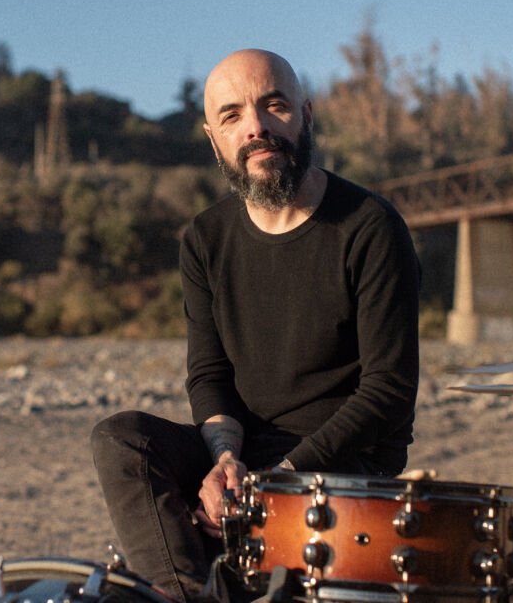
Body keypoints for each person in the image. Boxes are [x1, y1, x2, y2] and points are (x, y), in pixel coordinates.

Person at [90, 49, 420, 602]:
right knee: (121, 439)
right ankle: (187, 593)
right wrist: (225, 463)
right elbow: (209, 374)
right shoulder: (206, 238)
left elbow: (388, 390)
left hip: (342, 462)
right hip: (244, 455)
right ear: (213, 139)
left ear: (305, 116)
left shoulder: (370, 227)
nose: (256, 127)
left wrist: (274, 479)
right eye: (232, 115)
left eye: (274, 106)